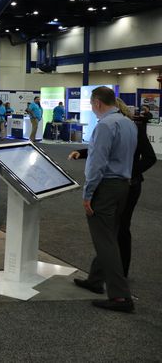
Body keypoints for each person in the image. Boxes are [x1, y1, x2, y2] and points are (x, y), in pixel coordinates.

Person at [69, 99, 156, 280]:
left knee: (119, 229)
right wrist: (83, 153)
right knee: (109, 231)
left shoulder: (131, 127)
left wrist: (128, 173)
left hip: (127, 185)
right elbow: (106, 150)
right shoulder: (122, 125)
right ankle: (99, 277)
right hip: (119, 183)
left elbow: (150, 158)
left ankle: (118, 276)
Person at [69, 87, 137, 313]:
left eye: (91, 104)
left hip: (106, 189)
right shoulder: (128, 122)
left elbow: (97, 165)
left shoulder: (105, 126)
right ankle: (95, 280)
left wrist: (88, 194)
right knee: (109, 235)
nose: (91, 109)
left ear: (97, 103)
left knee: (105, 240)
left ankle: (120, 297)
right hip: (122, 187)